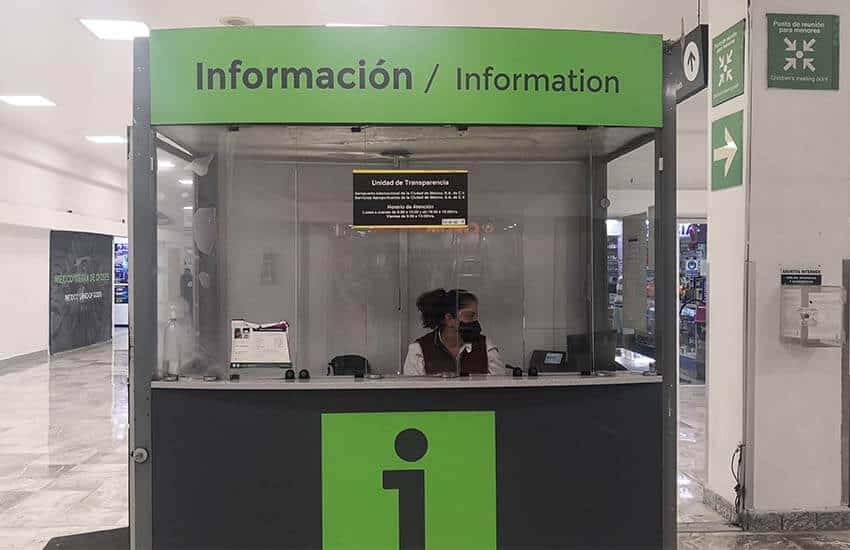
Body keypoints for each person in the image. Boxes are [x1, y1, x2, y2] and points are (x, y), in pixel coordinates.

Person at [403, 288, 504, 375]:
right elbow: (412, 393)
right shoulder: (419, 350)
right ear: (449, 319)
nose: (475, 321)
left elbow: (500, 390)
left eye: (476, 316)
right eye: (470, 315)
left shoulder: (486, 347)